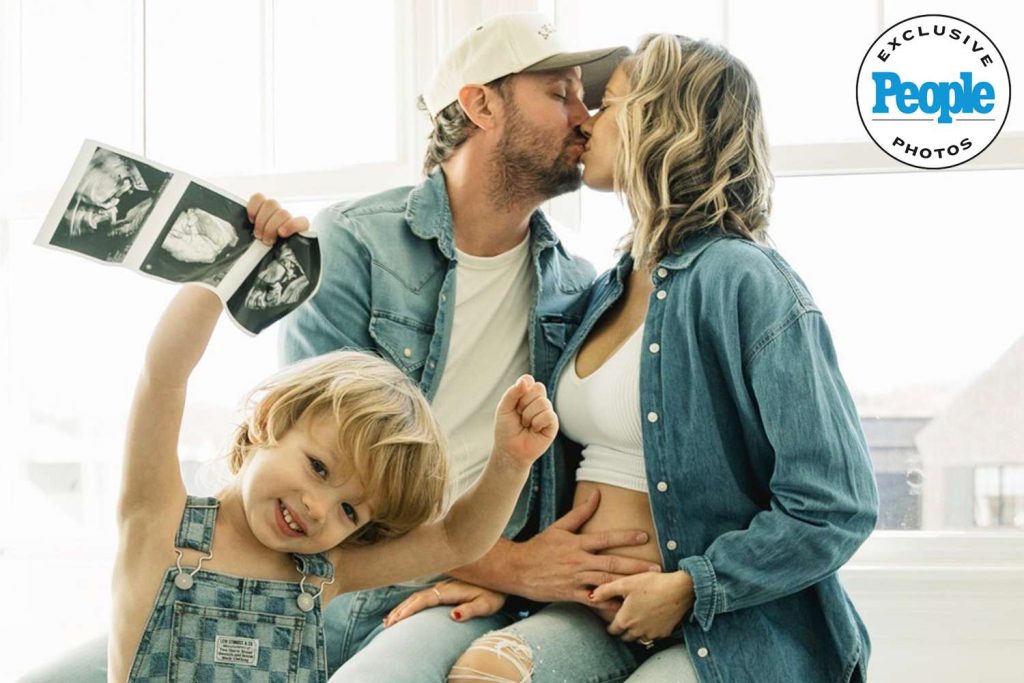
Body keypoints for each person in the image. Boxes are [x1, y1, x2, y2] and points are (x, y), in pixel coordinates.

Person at [20, 12, 641, 683]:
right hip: (365, 560)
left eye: (585, 99)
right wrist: (228, 266)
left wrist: (507, 525)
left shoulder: (577, 287)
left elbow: (457, 530)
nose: (586, 118)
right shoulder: (353, 242)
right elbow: (182, 382)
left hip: (414, 573)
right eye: (561, 94)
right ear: (481, 104)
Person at [388, 34, 880, 682]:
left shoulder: (744, 280)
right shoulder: (604, 290)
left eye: (609, 104)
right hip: (592, 613)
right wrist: (506, 578)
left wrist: (691, 588)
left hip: (724, 624)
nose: (586, 122)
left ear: (662, 123)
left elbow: (836, 503)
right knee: (488, 672)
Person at [107, 198, 560, 682]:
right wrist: (231, 262)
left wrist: (511, 461)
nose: (318, 508)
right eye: (318, 468)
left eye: (350, 511)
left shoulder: (326, 572)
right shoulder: (157, 517)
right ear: (270, 419)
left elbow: (457, 539)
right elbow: (164, 376)